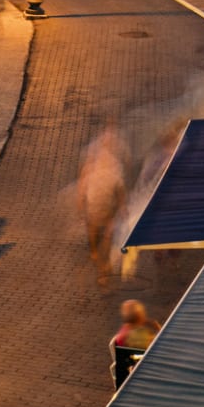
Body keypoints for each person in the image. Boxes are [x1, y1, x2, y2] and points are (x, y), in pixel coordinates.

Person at [80, 119, 129, 285]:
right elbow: (83, 183)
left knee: (108, 233)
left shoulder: (114, 167)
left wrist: (122, 206)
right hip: (94, 204)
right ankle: (95, 252)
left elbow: (120, 189)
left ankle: (104, 263)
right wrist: (80, 201)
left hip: (108, 207)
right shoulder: (93, 161)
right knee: (93, 229)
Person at [112, 299, 159, 385]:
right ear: (140, 317)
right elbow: (156, 346)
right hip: (142, 367)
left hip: (129, 364)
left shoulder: (123, 332)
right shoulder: (139, 335)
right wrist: (158, 328)